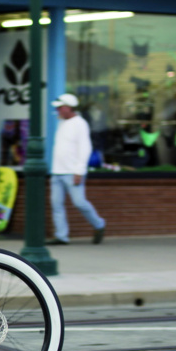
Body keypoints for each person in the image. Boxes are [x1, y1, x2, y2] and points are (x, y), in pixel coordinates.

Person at [48, 93, 106, 245]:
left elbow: (85, 148)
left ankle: (99, 224)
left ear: (69, 107)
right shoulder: (61, 123)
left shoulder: (80, 123)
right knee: (56, 204)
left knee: (79, 202)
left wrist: (79, 171)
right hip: (57, 172)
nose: (58, 110)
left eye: (60, 107)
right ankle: (61, 236)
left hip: (72, 172)